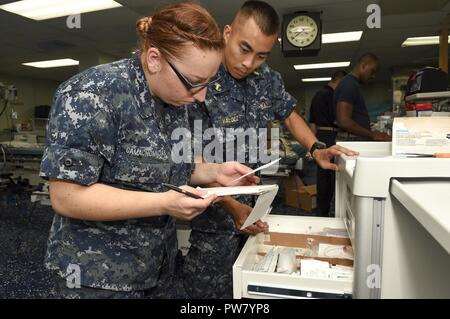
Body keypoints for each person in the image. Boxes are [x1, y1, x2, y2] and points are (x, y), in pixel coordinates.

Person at [39, 2, 258, 299]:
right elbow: (67, 197)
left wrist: (215, 172)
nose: (201, 96)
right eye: (194, 83)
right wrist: (164, 203)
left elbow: (170, 163)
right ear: (154, 59)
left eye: (208, 82)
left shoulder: (175, 97)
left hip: (157, 268)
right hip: (97, 278)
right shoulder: (92, 94)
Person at [180, 0, 358, 299]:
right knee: (210, 295)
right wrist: (232, 207)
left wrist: (316, 148)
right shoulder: (201, 77)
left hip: (254, 208)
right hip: (213, 220)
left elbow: (289, 114)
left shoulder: (268, 80)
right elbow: (188, 158)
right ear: (227, 34)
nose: (249, 63)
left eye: (260, 55)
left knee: (253, 292)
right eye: (244, 49)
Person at [309, 71, 347, 217]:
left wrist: (315, 143)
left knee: (323, 177)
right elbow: (339, 120)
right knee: (333, 175)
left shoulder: (317, 95)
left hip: (320, 136)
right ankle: (335, 212)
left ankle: (322, 211)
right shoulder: (332, 95)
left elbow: (312, 121)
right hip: (332, 135)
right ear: (340, 82)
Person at [334, 53, 391, 141]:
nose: (373, 76)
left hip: (353, 138)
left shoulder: (352, 84)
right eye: (372, 71)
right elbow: (343, 121)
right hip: (351, 140)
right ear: (363, 66)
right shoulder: (349, 84)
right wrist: (372, 134)